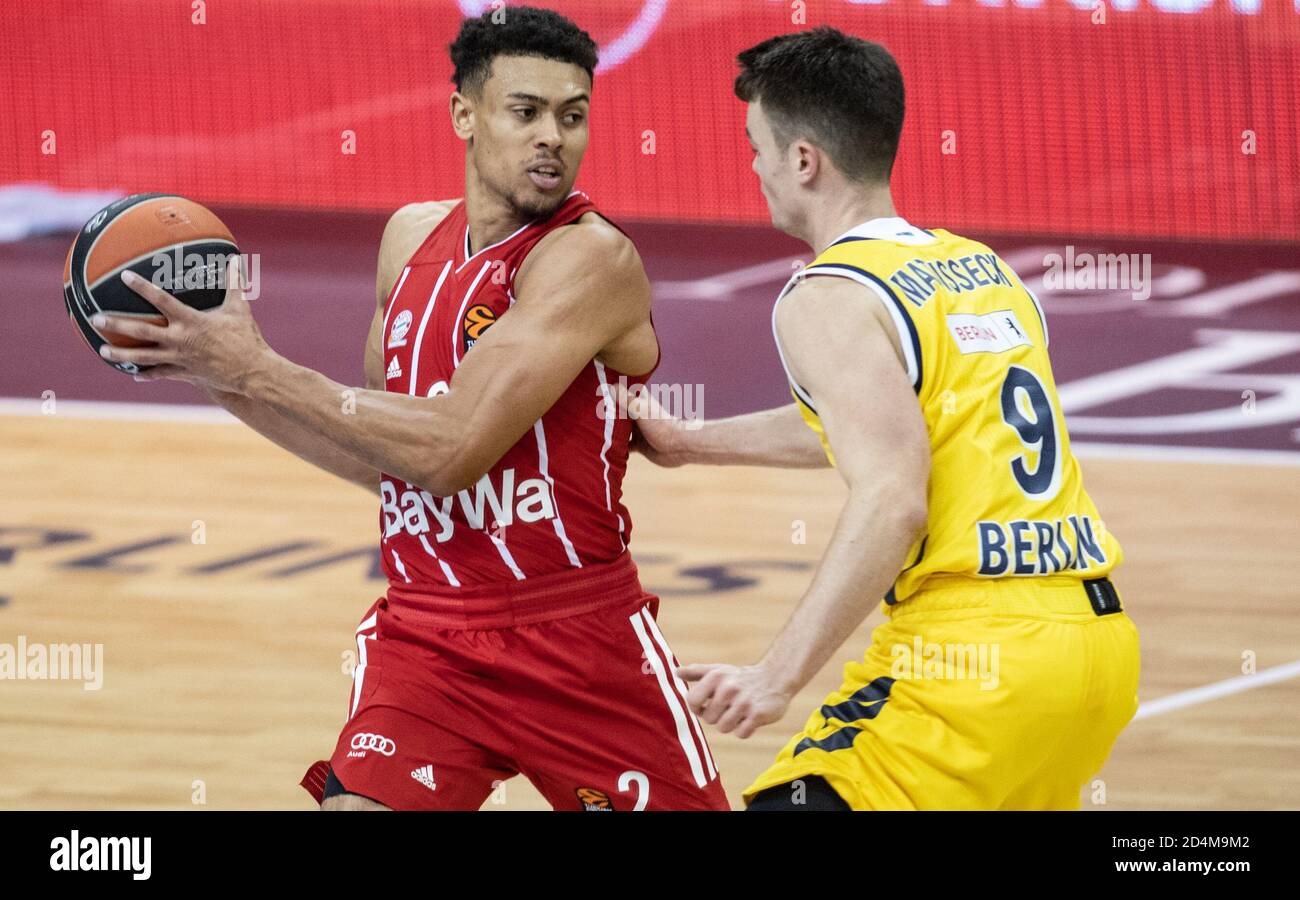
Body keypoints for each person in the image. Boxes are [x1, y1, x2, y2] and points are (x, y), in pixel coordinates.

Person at [94, 6, 725, 812]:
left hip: (576, 640)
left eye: (573, 117)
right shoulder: (408, 241)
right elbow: (386, 458)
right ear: (464, 113)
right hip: (428, 634)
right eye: (525, 112)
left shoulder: (590, 259)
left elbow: (448, 449)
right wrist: (217, 375)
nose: (553, 138)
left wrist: (259, 366)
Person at [631, 27, 1140, 811]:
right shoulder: (982, 269)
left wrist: (776, 677)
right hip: (1094, 652)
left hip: (973, 657)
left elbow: (893, 492)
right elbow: (884, 427)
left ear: (805, 160)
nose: (756, 168)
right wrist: (692, 442)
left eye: (757, 146)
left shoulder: (827, 295)